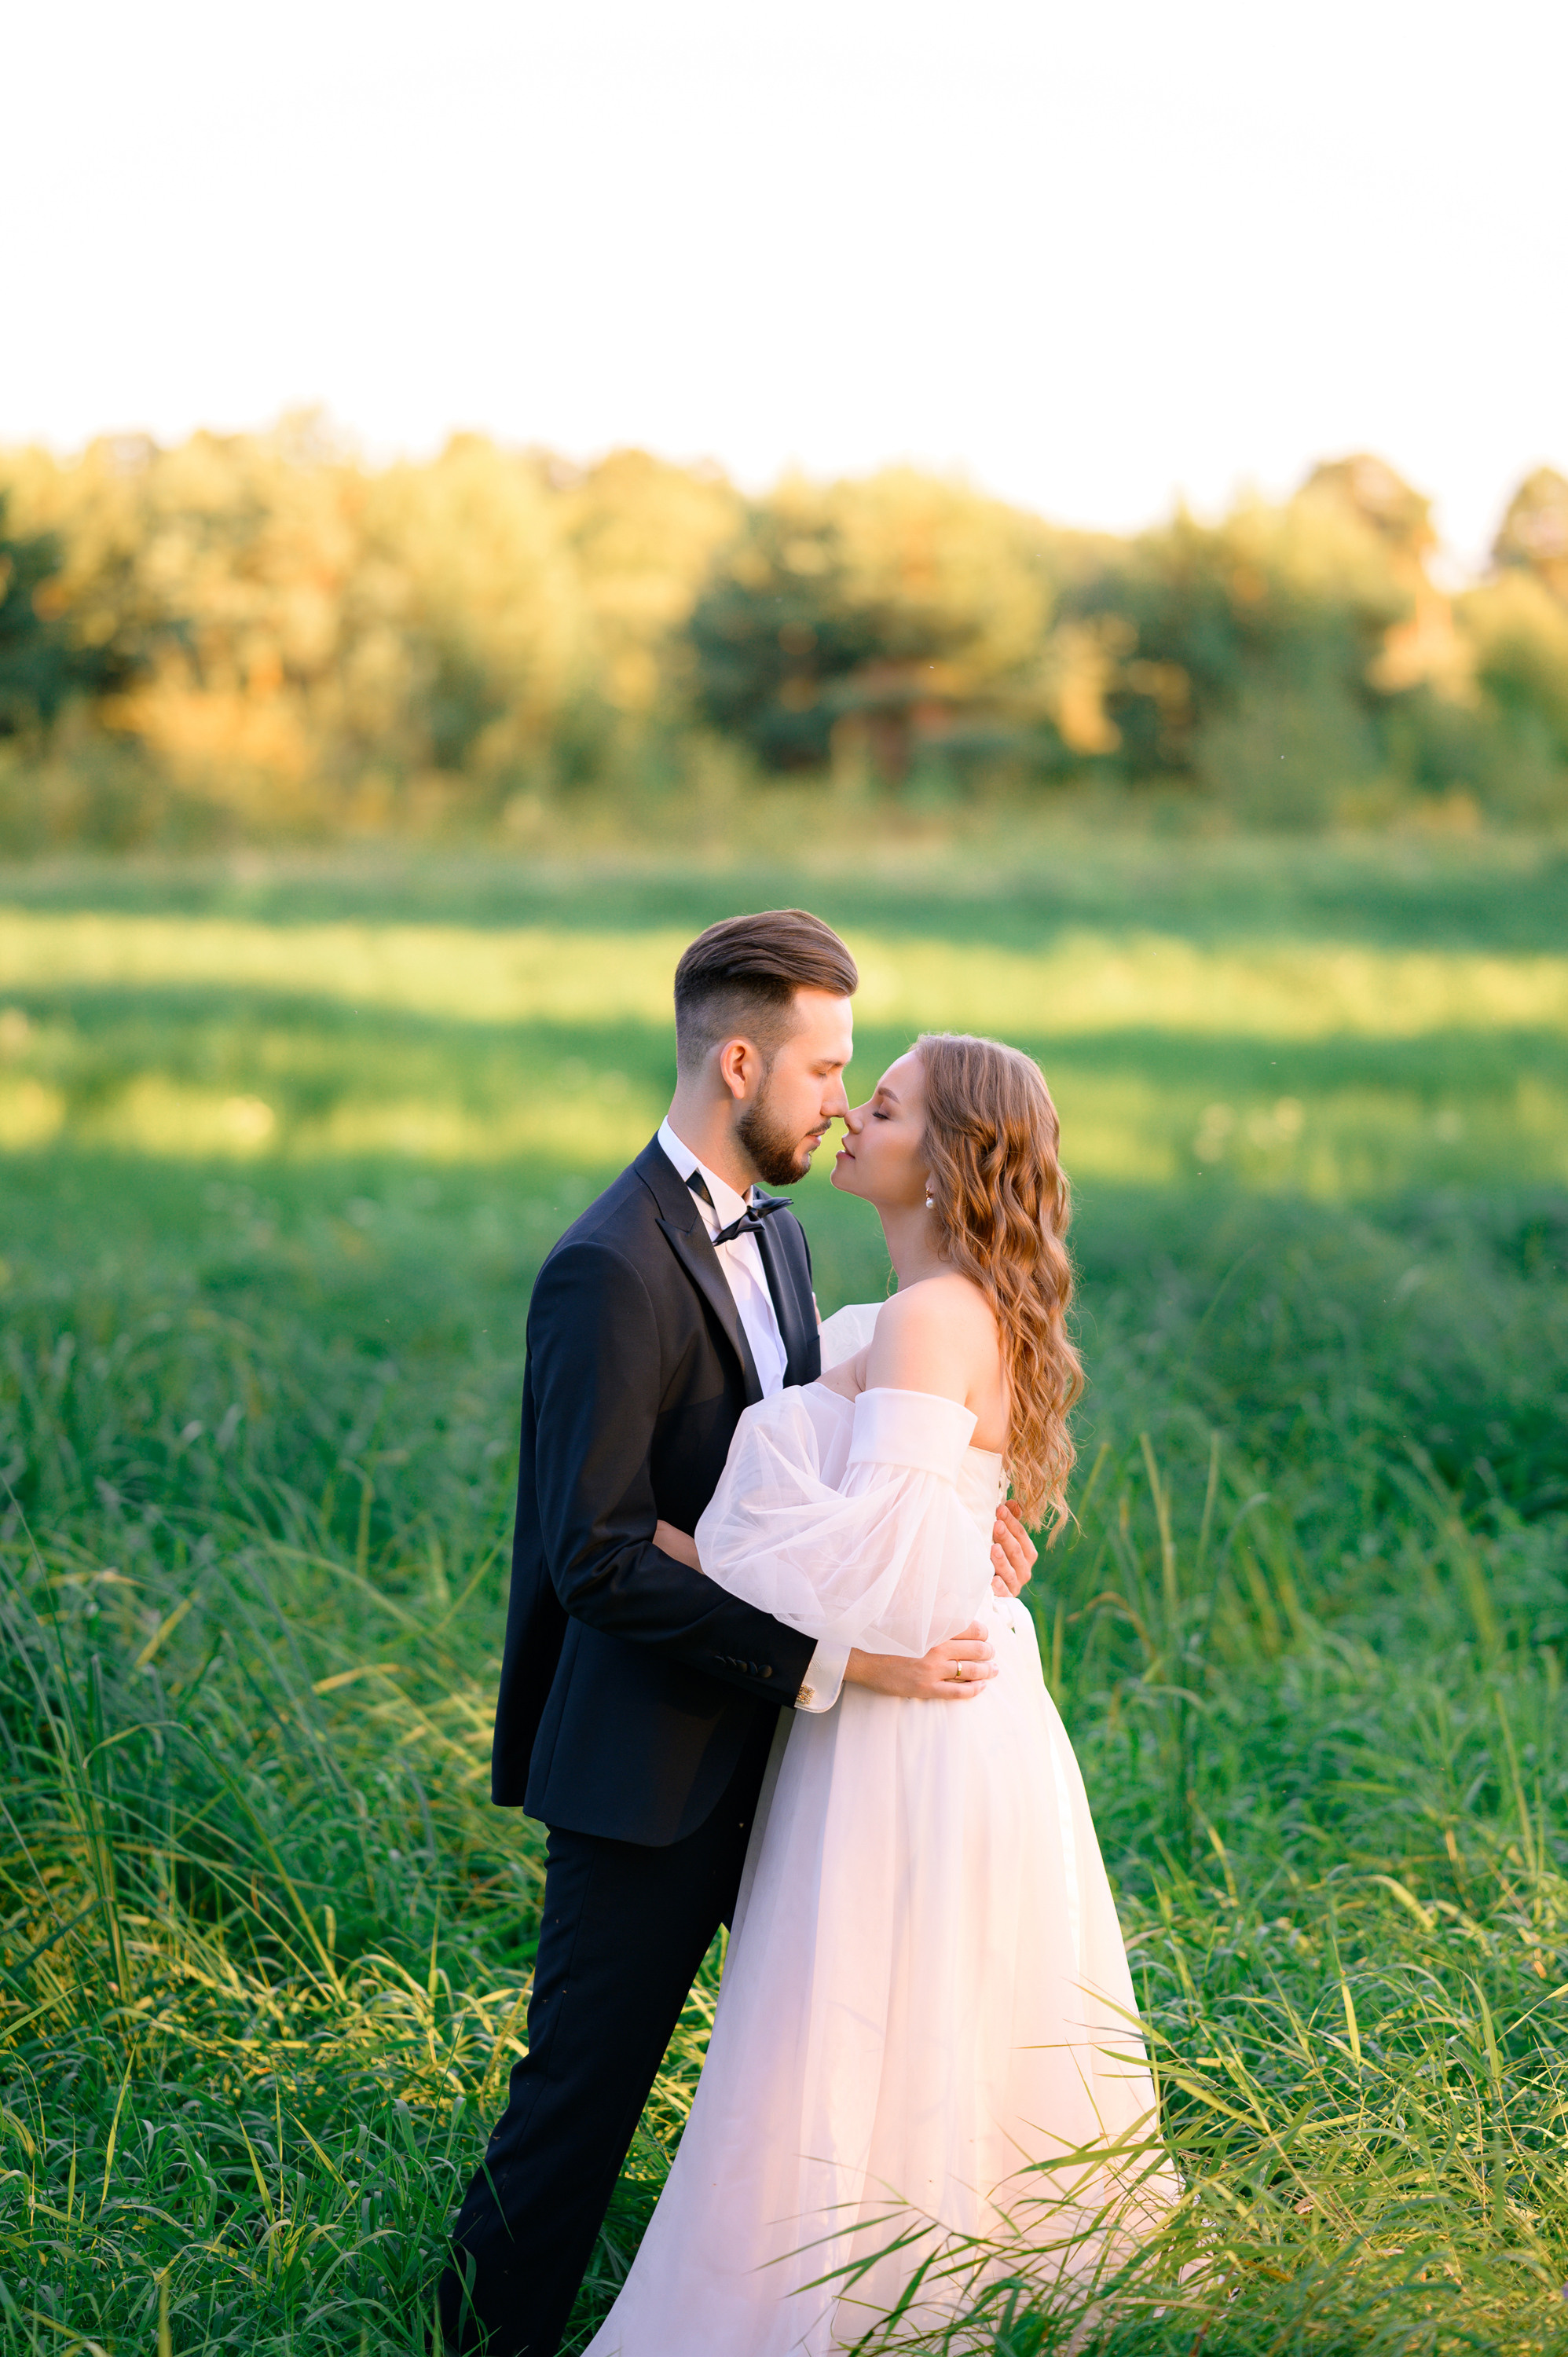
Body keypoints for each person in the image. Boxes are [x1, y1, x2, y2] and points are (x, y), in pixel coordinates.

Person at [440, 915, 1038, 2357]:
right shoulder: (607, 1267)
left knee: (811, 2083)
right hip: (652, 1765)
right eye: (829, 1070)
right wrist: (843, 1660)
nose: (839, 1102)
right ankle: (479, 2339)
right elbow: (596, 1557)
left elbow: (801, 1481)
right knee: (580, 2096)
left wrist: (960, 1537)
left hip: (802, 1760)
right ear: (742, 1057)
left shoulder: (776, 1229)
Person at [581, 1031, 1178, 2354]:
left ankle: (854, 2305)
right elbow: (921, 1526)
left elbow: (878, 1571)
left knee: (857, 2010)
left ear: (948, 1157)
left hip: (911, 1710)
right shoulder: (934, 1305)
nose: (854, 1114)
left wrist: (675, 1547)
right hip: (947, 1706)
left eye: (887, 1104)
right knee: (922, 2007)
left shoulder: (926, 1316)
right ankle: (933, 2282)